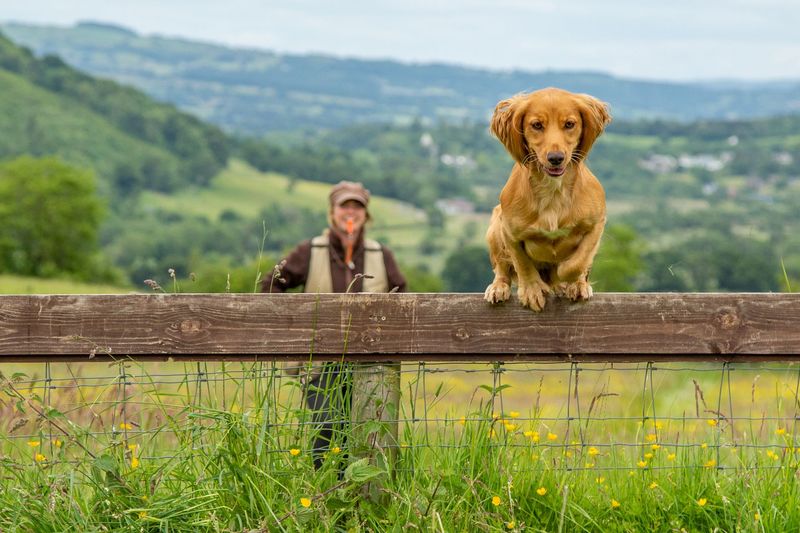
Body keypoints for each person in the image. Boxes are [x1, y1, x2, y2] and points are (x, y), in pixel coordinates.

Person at [262, 180, 406, 468]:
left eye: (357, 207)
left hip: (370, 362)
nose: (350, 213)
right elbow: (270, 286)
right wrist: (297, 327)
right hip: (320, 361)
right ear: (332, 212)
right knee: (327, 425)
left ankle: (362, 495)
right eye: (344, 206)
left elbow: (402, 300)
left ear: (366, 215)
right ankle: (325, 488)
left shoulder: (381, 254)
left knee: (369, 432)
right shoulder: (310, 251)